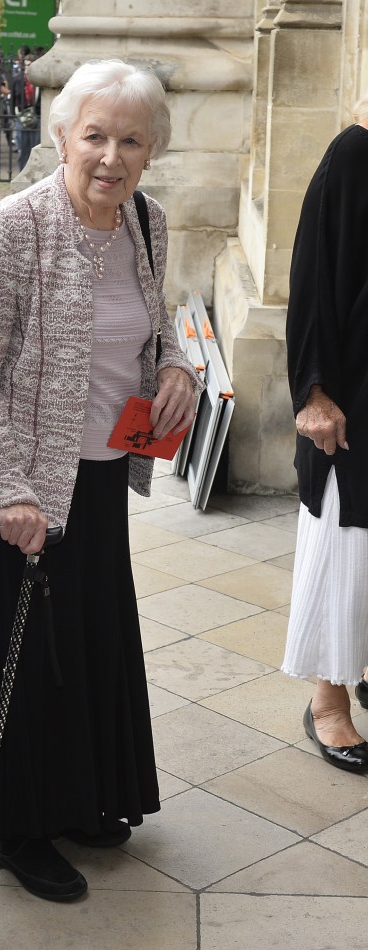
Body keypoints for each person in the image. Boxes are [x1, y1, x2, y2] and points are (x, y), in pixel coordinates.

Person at [0, 58, 202, 903]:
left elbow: (154, 328)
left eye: (130, 140)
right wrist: (7, 491)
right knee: (31, 656)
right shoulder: (11, 228)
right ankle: (17, 826)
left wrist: (176, 372)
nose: (110, 156)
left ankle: (86, 799)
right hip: (25, 486)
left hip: (98, 476)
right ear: (61, 136)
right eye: (94, 135)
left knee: (89, 643)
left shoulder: (145, 223)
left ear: (151, 151)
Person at [283, 97, 368, 773]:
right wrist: (312, 393)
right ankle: (326, 699)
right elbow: (311, 279)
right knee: (345, 546)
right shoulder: (352, 154)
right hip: (354, 396)